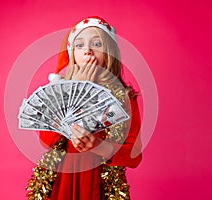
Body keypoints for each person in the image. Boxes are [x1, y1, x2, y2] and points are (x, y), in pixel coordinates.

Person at [26, 16, 142, 200]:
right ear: (72, 53)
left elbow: (134, 156)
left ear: (111, 53)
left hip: (101, 182)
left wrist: (99, 146)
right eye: (79, 45)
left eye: (97, 43)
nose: (87, 51)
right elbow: (47, 141)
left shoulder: (124, 98)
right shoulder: (58, 93)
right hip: (63, 178)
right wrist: (74, 92)